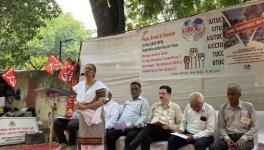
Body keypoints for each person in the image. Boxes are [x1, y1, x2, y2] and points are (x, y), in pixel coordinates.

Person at [128, 85, 182, 150]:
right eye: (160, 93)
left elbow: (179, 125)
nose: (161, 95)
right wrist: (149, 122)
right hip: (154, 130)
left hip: (167, 132)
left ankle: (131, 147)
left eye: (163, 94)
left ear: (169, 94)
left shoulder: (175, 107)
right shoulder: (155, 105)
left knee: (149, 127)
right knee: (146, 137)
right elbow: (149, 120)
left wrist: (169, 126)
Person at [210, 83, 258, 150]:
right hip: (228, 136)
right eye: (228, 94)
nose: (230, 97)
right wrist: (227, 139)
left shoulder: (248, 107)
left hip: (244, 135)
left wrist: (244, 138)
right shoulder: (223, 108)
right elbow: (221, 127)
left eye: (233, 94)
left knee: (240, 148)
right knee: (213, 148)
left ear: (239, 95)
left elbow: (255, 126)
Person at [106, 82, 149, 150]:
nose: (134, 91)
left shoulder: (144, 102)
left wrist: (134, 125)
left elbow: (144, 117)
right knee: (109, 133)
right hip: (123, 125)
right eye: (132, 89)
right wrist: (118, 124)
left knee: (130, 136)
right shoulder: (127, 101)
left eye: (136, 89)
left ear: (140, 90)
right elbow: (123, 114)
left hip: (135, 126)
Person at [74, 63, 108, 150]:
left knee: (95, 144)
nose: (87, 70)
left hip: (95, 117)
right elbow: (76, 99)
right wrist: (78, 105)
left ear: (94, 72)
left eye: (89, 69)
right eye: (85, 69)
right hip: (83, 118)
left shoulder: (99, 85)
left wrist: (84, 107)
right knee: (84, 144)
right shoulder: (80, 85)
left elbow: (100, 102)